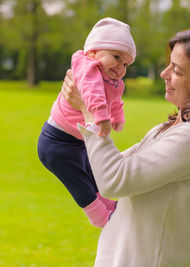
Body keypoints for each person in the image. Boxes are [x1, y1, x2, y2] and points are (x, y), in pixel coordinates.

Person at [60, 24, 190, 266]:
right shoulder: (173, 128)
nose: (164, 74)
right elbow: (105, 170)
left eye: (177, 71)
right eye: (169, 64)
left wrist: (89, 111)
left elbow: (113, 180)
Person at [37, 17, 136, 228]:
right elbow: (93, 94)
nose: (121, 66)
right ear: (93, 53)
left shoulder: (113, 80)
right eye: (116, 57)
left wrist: (118, 116)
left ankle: (109, 204)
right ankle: (99, 217)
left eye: (126, 63)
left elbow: (116, 98)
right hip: (57, 142)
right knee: (79, 182)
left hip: (78, 140)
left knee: (93, 173)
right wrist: (101, 116)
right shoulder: (87, 68)